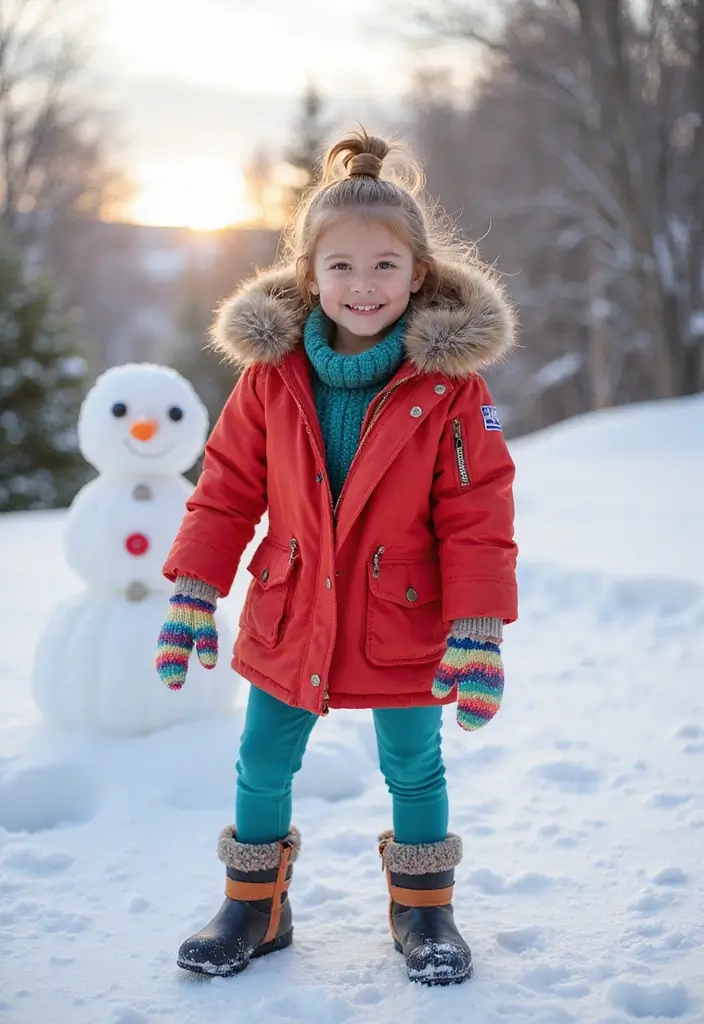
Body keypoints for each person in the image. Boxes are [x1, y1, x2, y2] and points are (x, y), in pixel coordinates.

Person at [155, 128, 518, 987]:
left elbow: (478, 511)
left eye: (385, 266)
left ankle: (423, 910)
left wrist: (476, 626)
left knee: (414, 764)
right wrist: (194, 591)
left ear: (418, 273)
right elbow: (227, 489)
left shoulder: (452, 389)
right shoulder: (270, 377)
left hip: (404, 615)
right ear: (309, 275)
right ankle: (256, 905)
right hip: (292, 609)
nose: (363, 286)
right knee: (263, 758)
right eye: (342, 267)